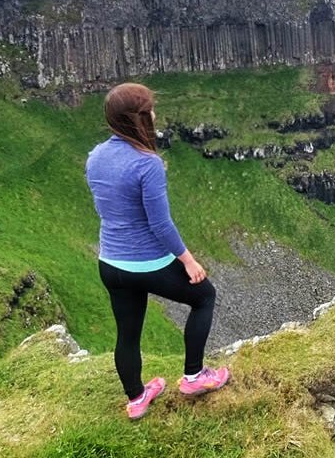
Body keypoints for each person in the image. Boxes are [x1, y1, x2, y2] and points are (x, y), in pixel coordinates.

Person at [85, 82, 230, 420]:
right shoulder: (146, 164)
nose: (155, 113)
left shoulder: (95, 157)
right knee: (204, 296)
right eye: (150, 109)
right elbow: (160, 225)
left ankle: (137, 399)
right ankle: (194, 376)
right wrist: (189, 261)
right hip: (146, 263)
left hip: (110, 263)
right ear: (141, 118)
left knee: (128, 333)